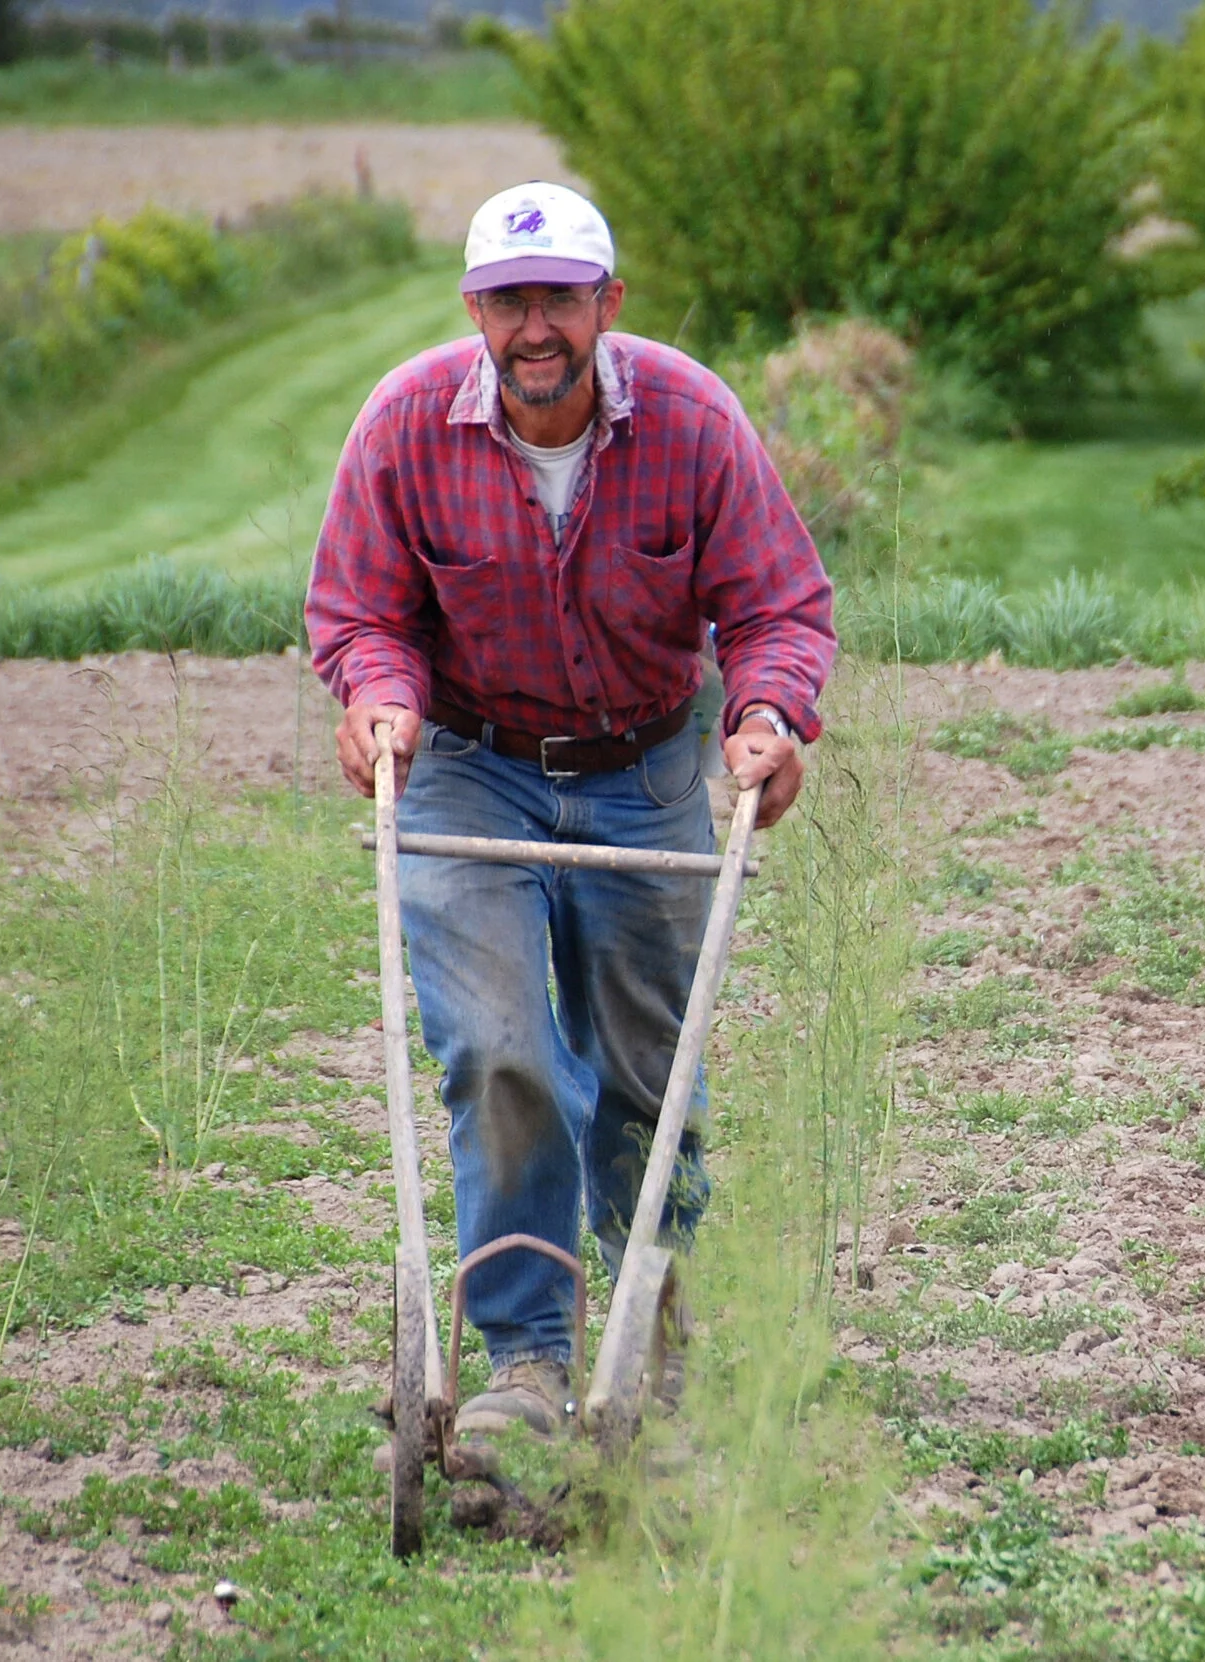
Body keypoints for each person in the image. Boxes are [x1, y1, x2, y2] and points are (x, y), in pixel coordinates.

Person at [308, 181, 834, 1440]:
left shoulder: (695, 421)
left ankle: (655, 1333)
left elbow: (776, 606)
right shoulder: (404, 424)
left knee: (650, 1081)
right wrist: (377, 698)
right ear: (474, 309)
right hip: (468, 764)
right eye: (506, 301)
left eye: (557, 298)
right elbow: (365, 611)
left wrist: (765, 720)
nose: (532, 326)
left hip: (645, 770)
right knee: (500, 1056)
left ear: (608, 301)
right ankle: (527, 1363)